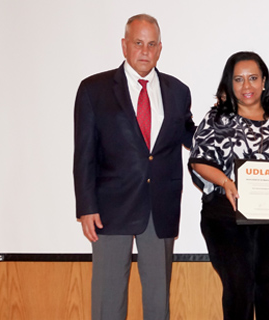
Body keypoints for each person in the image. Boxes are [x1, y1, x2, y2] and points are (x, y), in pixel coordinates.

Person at [73, 14, 196, 320]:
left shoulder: (177, 91)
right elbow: (84, 154)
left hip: (161, 206)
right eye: (138, 43)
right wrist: (86, 206)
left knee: (158, 301)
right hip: (109, 208)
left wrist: (230, 126)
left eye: (151, 44)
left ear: (160, 48)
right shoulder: (93, 89)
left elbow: (193, 137)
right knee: (108, 298)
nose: (145, 51)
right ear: (124, 46)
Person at [189, 51, 269, 320]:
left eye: (253, 78)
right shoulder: (216, 120)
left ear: (264, 81)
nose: (247, 86)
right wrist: (225, 181)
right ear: (229, 84)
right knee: (238, 289)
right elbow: (199, 161)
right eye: (239, 79)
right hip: (226, 218)